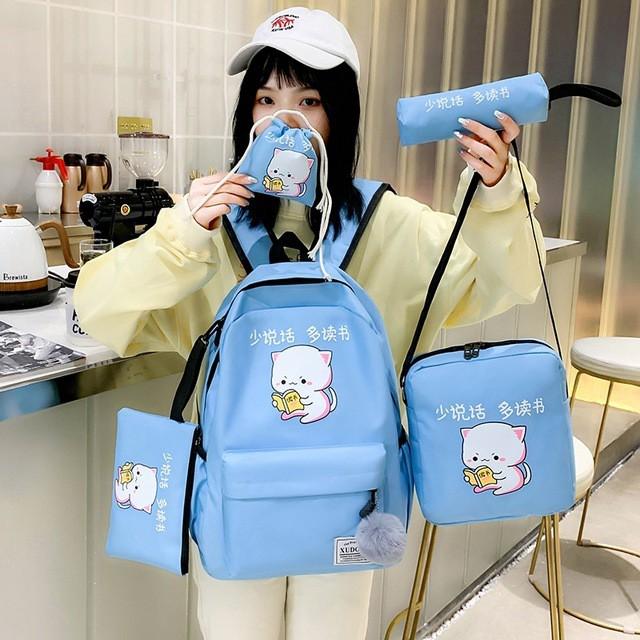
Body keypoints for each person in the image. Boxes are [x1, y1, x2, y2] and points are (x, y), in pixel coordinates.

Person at [74, 7, 545, 640]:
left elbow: (503, 277)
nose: (284, 120)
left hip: (352, 499)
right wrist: (182, 233)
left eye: (310, 100)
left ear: (339, 115)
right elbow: (97, 306)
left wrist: (499, 192)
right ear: (246, 116)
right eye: (265, 99)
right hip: (236, 497)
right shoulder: (207, 225)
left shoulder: (388, 223)